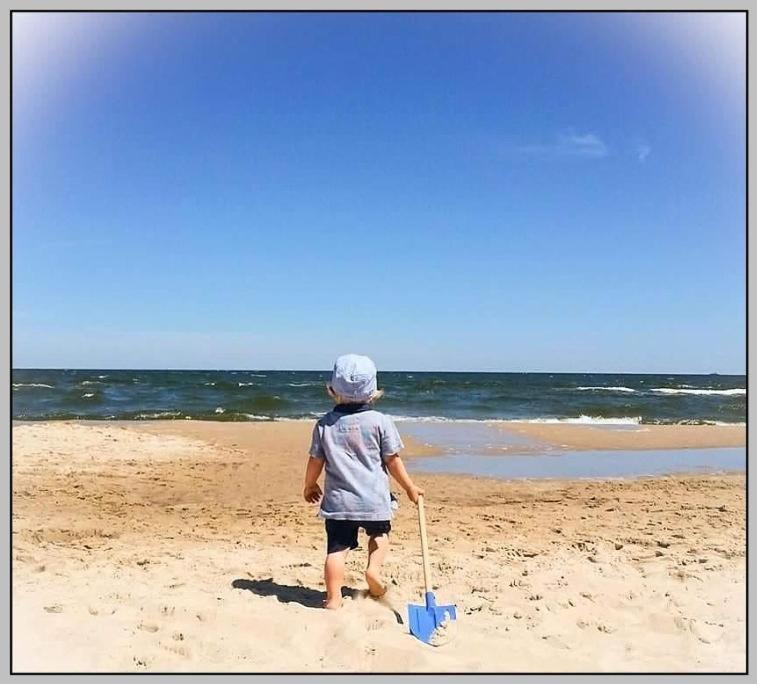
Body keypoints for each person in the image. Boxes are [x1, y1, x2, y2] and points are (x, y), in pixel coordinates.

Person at [303, 354, 424, 609]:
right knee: (379, 534)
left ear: (333, 389)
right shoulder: (381, 422)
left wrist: (309, 485)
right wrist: (410, 487)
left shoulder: (325, 425)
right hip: (374, 499)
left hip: (339, 503)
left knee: (336, 549)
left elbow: (315, 461)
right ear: (373, 391)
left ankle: (334, 599)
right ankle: (373, 571)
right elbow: (392, 460)